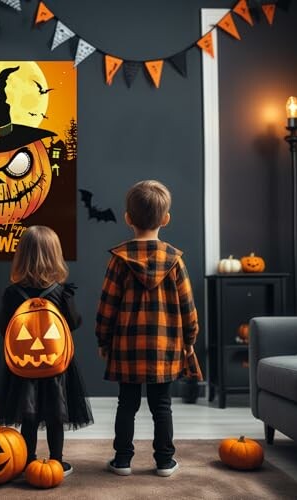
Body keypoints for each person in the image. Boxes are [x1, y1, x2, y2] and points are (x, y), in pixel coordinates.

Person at [95, 180, 199, 478]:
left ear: (128, 219)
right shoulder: (175, 261)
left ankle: (123, 460)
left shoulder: (119, 260)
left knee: (126, 404)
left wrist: (103, 339)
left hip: (127, 348)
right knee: (162, 405)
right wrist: (189, 339)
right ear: (165, 219)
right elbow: (187, 306)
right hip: (164, 348)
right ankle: (165, 461)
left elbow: (107, 305)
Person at [0, 225, 93, 477]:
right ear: (55, 255)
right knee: (56, 414)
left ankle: (28, 460)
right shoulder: (61, 292)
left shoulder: (12, 293)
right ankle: (56, 461)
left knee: (28, 414)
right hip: (56, 365)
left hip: (23, 366)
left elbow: (3, 326)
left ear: (21, 256)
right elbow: (74, 323)